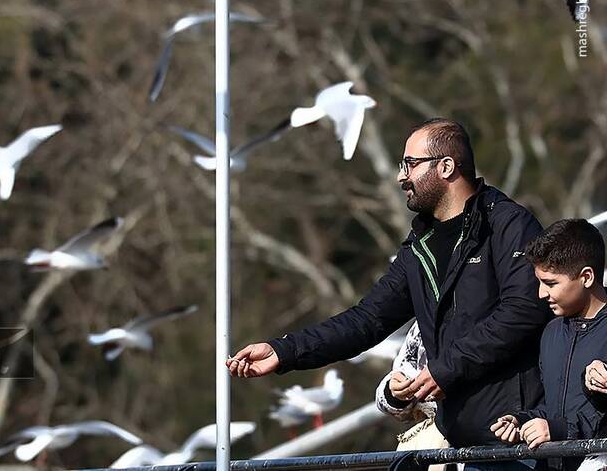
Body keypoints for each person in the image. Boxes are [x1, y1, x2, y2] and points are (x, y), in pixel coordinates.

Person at [226, 119, 552, 463]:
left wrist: (447, 369)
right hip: (463, 449)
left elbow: (523, 310)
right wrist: (285, 352)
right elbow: (367, 320)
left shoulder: (509, 224)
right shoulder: (418, 247)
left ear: (446, 166)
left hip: (518, 444)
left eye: (410, 164)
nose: (401, 177)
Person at [490, 219, 607, 471]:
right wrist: (523, 421)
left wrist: (557, 430)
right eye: (539, 282)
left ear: (586, 277)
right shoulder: (552, 332)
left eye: (551, 283)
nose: (541, 294)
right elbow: (555, 408)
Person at [375, 321, 454, 471]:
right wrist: (396, 392)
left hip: (487, 440)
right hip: (432, 442)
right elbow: (385, 397)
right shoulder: (424, 321)